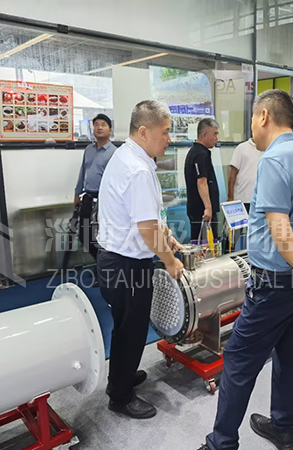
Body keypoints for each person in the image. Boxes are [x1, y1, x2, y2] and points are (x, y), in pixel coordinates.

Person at [199, 90, 293, 450]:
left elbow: (280, 230)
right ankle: (282, 427)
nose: (251, 127)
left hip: (273, 284)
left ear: (263, 116)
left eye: (252, 119)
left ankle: (221, 443)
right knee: (290, 356)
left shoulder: (274, 160)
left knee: (238, 359)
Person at [97, 101, 184, 419]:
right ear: (144, 131)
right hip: (127, 264)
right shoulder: (137, 169)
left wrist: (166, 236)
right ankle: (120, 397)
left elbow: (146, 217)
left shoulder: (129, 156)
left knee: (124, 326)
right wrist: (171, 261)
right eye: (166, 132)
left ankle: (121, 375)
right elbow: (146, 229)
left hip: (115, 259)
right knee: (131, 329)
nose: (169, 139)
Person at [74, 114, 116, 259]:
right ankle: (101, 263)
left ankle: (105, 265)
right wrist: (77, 193)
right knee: (84, 235)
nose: (99, 127)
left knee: (103, 236)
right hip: (87, 198)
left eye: (103, 125)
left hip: (105, 200)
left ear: (110, 130)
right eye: (96, 124)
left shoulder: (115, 153)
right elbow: (82, 172)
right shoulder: (88, 150)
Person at [185, 118, 220, 240]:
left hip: (200, 210)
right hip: (202, 211)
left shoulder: (198, 152)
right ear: (205, 135)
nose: (217, 138)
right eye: (214, 134)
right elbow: (201, 182)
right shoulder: (200, 154)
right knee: (205, 246)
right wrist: (208, 208)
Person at [227, 137, 262, 213]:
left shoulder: (269, 149)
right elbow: (232, 174)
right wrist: (230, 197)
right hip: (242, 199)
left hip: (261, 201)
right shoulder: (241, 148)